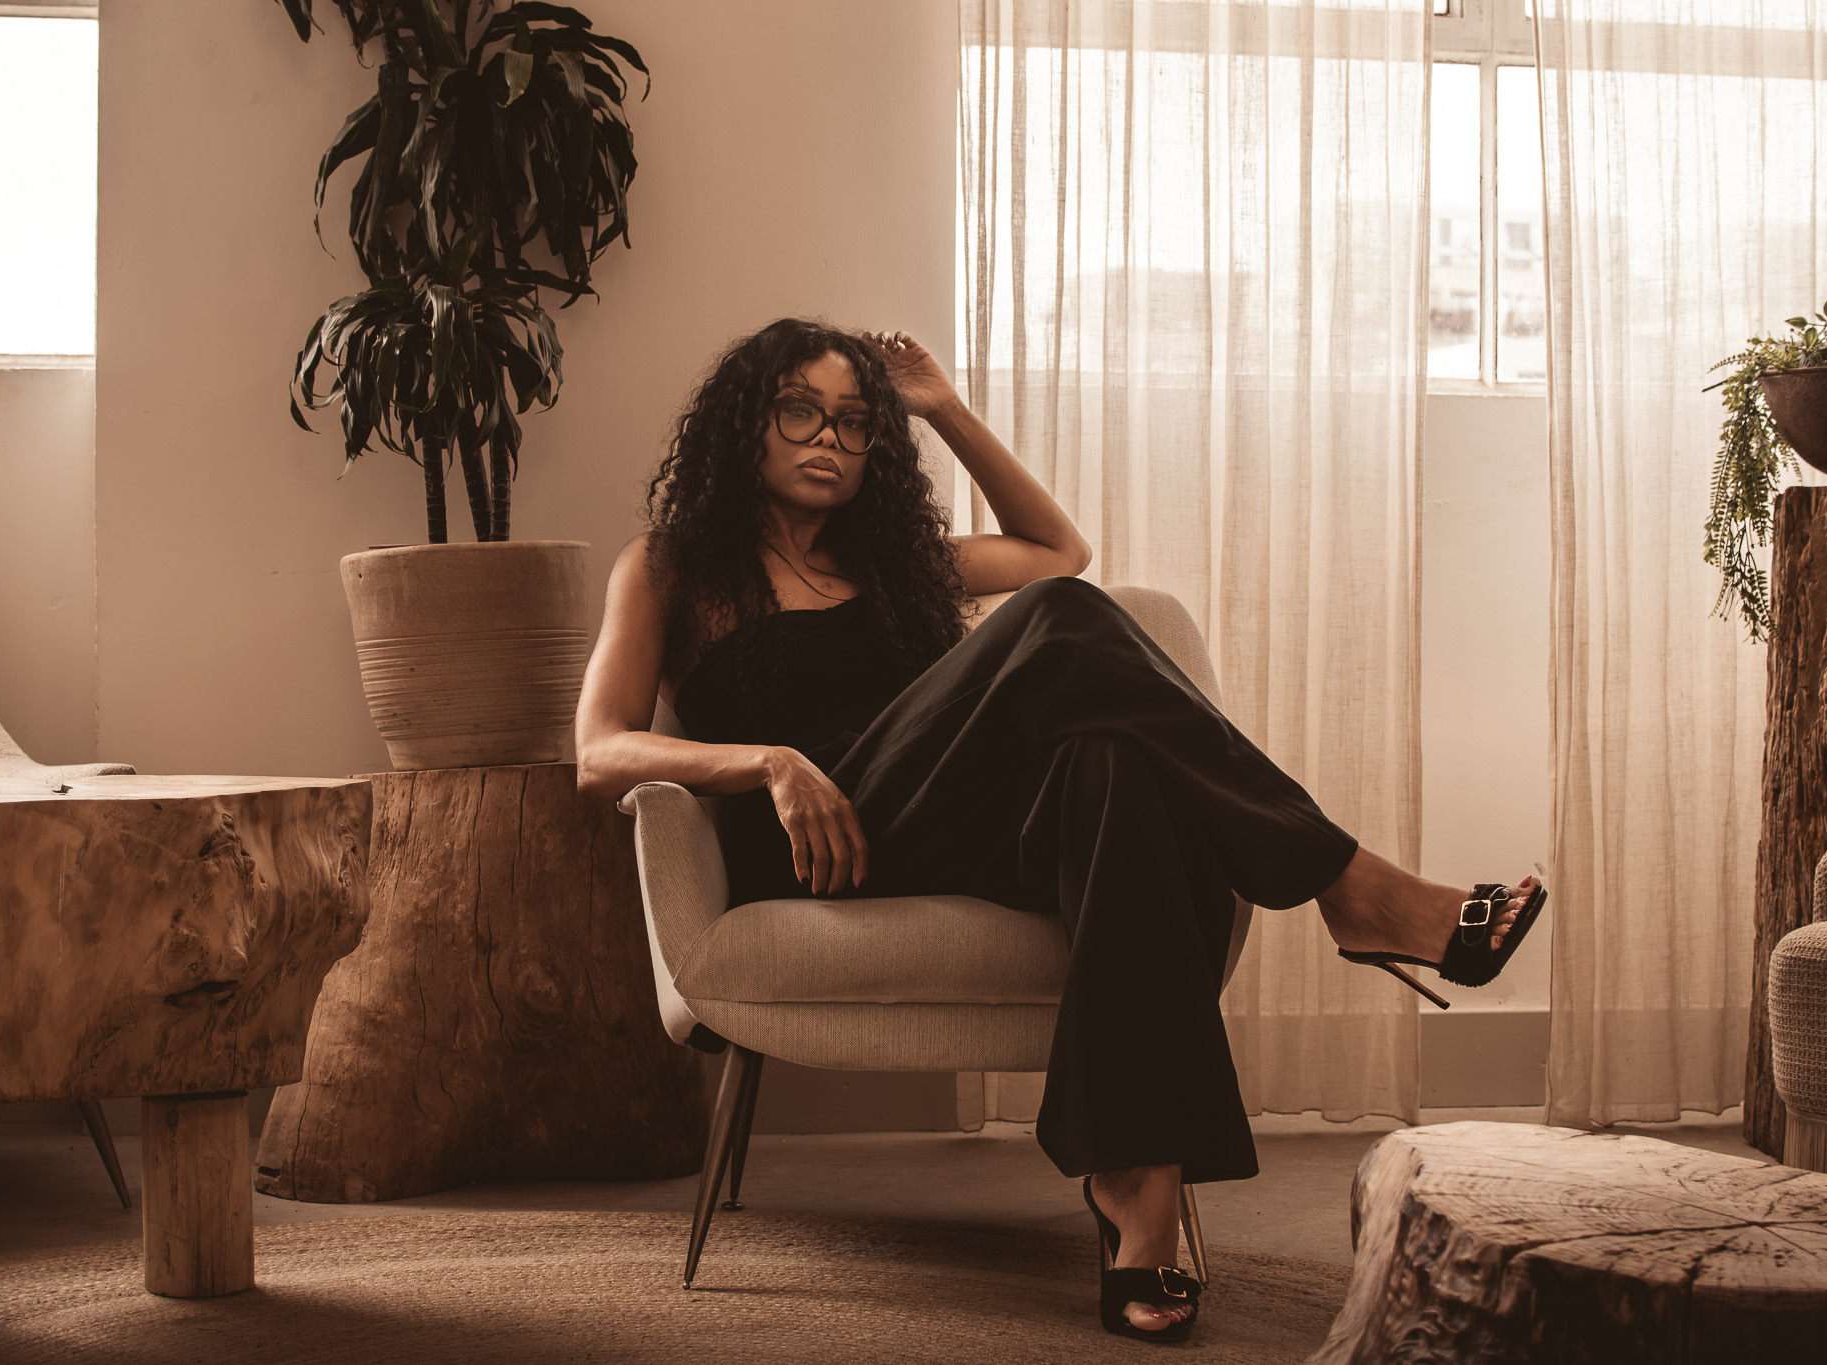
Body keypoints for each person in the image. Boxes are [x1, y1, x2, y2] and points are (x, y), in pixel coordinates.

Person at [574, 318, 1544, 1344]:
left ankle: (1137, 1183)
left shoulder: (899, 564)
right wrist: (767, 761)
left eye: (855, 423)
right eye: (799, 412)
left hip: (931, 819)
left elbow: (1056, 547)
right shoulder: (672, 567)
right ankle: (1349, 887)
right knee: (1061, 614)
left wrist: (943, 408)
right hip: (815, 845)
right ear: (747, 423)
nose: (827, 439)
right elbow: (597, 750)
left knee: (1112, 766)